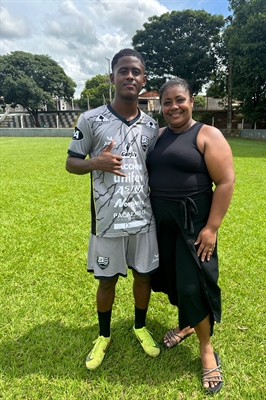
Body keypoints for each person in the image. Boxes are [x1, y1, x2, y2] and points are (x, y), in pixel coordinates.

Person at [66, 48, 160, 370]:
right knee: (106, 282)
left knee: (143, 277)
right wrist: (95, 162)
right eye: (123, 71)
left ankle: (139, 326)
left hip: (143, 221)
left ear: (143, 79)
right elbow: (70, 162)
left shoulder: (151, 125)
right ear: (112, 78)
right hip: (106, 222)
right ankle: (103, 335)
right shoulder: (90, 119)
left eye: (136, 72)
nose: (130, 76)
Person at [147, 77, 235, 394]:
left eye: (179, 100)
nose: (173, 107)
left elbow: (225, 182)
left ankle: (206, 349)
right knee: (172, 280)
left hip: (194, 225)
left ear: (192, 101)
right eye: (167, 102)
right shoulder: (156, 136)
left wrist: (211, 228)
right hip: (162, 223)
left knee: (192, 284)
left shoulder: (207, 135)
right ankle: (187, 324)